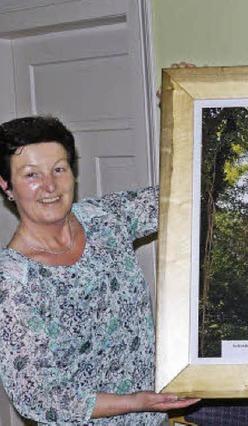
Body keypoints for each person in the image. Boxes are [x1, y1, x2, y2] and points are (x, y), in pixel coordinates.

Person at [0, 116, 199, 424]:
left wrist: (190, 116)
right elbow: (38, 398)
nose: (49, 185)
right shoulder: (12, 281)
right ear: (6, 185)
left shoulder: (104, 219)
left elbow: (184, 196)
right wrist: (134, 403)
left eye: (59, 169)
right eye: (31, 175)